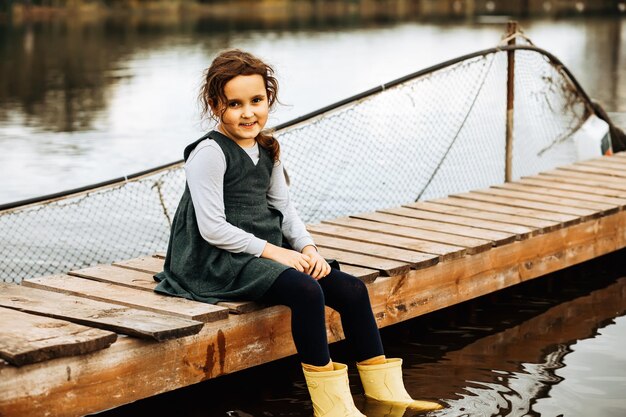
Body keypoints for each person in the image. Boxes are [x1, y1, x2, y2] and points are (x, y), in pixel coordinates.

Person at [154, 49, 443, 417]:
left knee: (351, 289)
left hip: (261, 250)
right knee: (307, 291)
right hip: (215, 259)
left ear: (268, 98)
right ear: (215, 105)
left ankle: (385, 392)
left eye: (257, 101)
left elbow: (284, 210)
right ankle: (332, 406)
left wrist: (308, 249)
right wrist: (278, 254)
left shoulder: (268, 148)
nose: (248, 113)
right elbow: (212, 229)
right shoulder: (209, 153)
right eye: (235, 104)